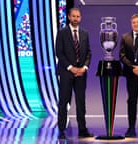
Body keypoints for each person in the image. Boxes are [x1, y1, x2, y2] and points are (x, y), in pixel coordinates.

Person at [55, 7, 93, 139]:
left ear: (80, 18)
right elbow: (59, 52)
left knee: (81, 102)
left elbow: (88, 53)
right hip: (67, 72)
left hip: (81, 73)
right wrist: (71, 68)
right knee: (64, 101)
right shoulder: (62, 33)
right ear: (69, 17)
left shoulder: (84, 33)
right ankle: (61, 130)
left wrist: (84, 68)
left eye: (78, 16)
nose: (76, 19)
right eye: (74, 16)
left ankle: (82, 129)